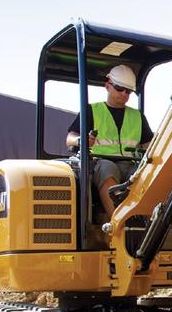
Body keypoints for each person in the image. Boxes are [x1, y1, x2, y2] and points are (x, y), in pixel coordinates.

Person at [66, 64, 154, 218]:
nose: (124, 94)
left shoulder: (137, 116)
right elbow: (69, 139)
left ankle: (147, 225)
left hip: (129, 163)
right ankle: (118, 224)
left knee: (145, 173)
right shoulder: (92, 110)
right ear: (107, 86)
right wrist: (81, 140)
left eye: (129, 91)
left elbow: (150, 145)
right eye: (120, 88)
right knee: (108, 170)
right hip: (100, 162)